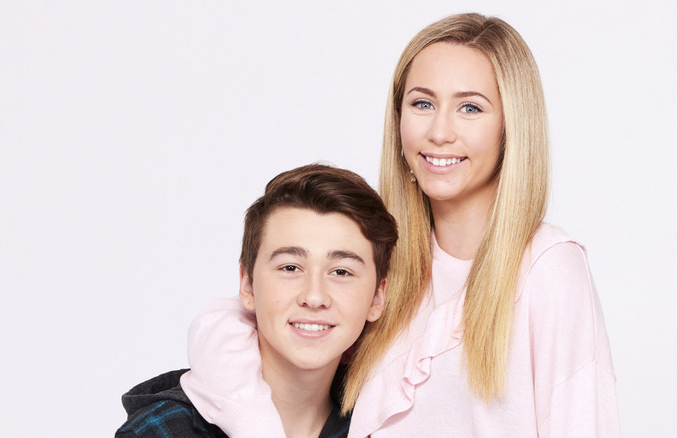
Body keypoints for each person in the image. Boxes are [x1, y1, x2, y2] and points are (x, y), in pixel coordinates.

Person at [185, 13, 620, 438]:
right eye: (422, 103)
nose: (439, 132)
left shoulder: (547, 268)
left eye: (470, 107)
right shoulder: (384, 257)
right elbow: (228, 327)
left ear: (511, 127)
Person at [115, 164, 398, 438]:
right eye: (290, 267)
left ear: (377, 297)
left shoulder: (390, 425)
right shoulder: (163, 431)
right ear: (247, 284)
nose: (314, 297)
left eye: (341, 272)